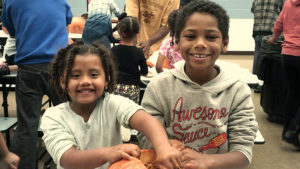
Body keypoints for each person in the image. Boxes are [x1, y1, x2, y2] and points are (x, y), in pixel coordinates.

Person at [138, 0, 258, 168]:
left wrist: (208, 161)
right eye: (190, 36)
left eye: (210, 37)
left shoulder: (238, 91)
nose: (200, 44)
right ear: (177, 42)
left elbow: (243, 153)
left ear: (224, 43)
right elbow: (145, 137)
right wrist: (164, 146)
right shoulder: (159, 87)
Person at [41, 42, 181, 169]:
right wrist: (108, 153)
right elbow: (68, 158)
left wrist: (163, 147)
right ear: (63, 82)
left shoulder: (113, 103)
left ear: (106, 79)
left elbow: (145, 120)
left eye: (94, 74)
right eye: (75, 75)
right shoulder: (53, 117)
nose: (85, 81)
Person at [1, 0, 73, 168]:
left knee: (27, 125)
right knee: (71, 120)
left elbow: (11, 32)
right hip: (58, 67)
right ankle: (73, 162)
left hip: (28, 67)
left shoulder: (11, 1)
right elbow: (65, 23)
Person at [267, 0, 300, 149]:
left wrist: (274, 38)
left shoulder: (288, 3)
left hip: (287, 54)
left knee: (293, 93)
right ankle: (292, 131)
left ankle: (287, 130)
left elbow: (279, 23)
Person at [112, 16, 148, 104]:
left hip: (116, 87)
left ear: (119, 32)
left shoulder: (114, 50)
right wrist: (136, 71)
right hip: (133, 89)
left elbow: (108, 69)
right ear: (137, 34)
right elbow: (145, 71)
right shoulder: (139, 52)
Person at [251, 0, 285, 92]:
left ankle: (255, 82)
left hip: (257, 31)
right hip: (272, 32)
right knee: (269, 60)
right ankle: (263, 85)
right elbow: (286, 12)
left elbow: (252, 10)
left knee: (258, 57)